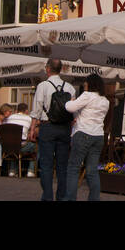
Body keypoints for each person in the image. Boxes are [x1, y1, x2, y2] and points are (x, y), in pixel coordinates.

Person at [29, 59, 76, 201]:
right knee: (62, 166)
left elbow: (36, 109)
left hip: (47, 126)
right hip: (64, 128)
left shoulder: (43, 86)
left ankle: (47, 197)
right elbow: (73, 112)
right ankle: (61, 197)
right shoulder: (70, 88)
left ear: (48, 68)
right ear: (61, 69)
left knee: (46, 164)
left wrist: (32, 129)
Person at [64, 74, 110, 201]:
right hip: (98, 136)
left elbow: (69, 107)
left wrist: (71, 100)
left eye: (86, 83)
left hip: (83, 133)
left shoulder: (87, 96)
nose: (84, 85)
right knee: (92, 171)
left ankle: (70, 198)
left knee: (73, 168)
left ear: (90, 84)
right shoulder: (105, 101)